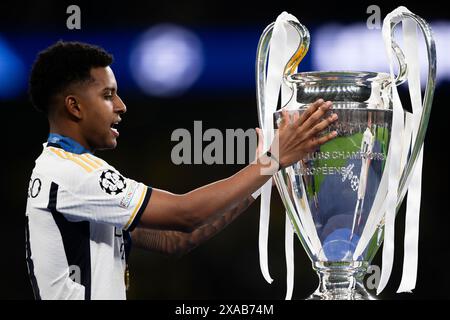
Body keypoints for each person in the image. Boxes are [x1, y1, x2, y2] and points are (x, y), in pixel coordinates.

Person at [25, 41, 338, 300]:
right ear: (74, 106)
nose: (121, 105)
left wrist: (262, 176)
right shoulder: (69, 173)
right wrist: (270, 162)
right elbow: (185, 214)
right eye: (107, 95)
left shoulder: (68, 172)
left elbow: (174, 239)